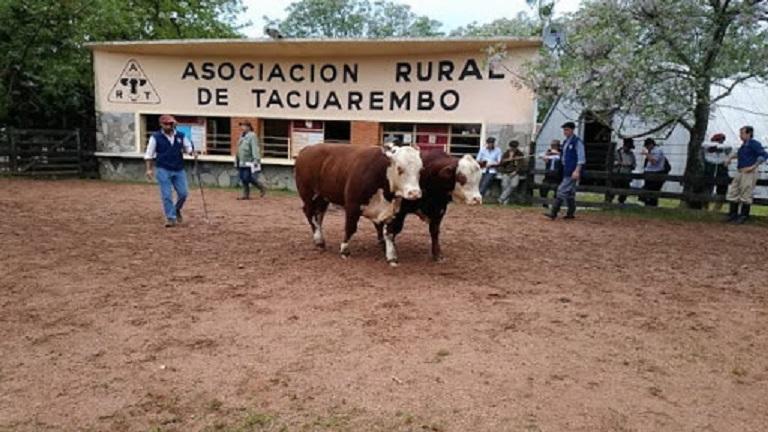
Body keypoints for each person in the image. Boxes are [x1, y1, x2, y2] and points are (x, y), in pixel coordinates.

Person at [144, 114, 195, 227]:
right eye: (166, 124)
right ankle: (170, 218)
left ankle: (176, 209)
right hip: (163, 168)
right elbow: (149, 154)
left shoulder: (181, 136)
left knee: (183, 193)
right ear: (161, 124)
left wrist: (192, 152)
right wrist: (149, 169)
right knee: (166, 195)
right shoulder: (155, 137)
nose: (168, 126)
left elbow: (188, 148)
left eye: (170, 124)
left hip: (178, 168)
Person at [725, 125, 767, 224]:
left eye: (742, 133)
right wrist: (730, 158)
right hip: (740, 171)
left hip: (749, 172)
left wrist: (753, 166)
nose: (740, 135)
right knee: (734, 191)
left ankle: (743, 215)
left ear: (749, 134)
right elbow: (739, 154)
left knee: (746, 192)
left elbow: (764, 155)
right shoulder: (744, 145)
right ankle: (733, 214)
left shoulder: (754, 144)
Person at [545, 121, 585, 220]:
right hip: (566, 169)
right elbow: (562, 156)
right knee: (570, 193)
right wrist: (550, 156)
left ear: (572, 130)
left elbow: (581, 158)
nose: (565, 132)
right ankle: (571, 213)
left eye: (567, 130)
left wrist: (577, 170)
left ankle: (553, 212)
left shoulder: (577, 142)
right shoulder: (566, 142)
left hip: (572, 170)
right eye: (564, 130)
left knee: (561, 190)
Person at [236, 121, 267, 200]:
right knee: (242, 177)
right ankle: (245, 195)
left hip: (249, 161)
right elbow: (239, 149)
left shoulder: (252, 136)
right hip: (241, 161)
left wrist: (256, 159)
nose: (242, 128)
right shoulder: (242, 136)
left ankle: (261, 187)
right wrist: (236, 160)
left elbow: (255, 148)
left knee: (247, 177)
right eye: (241, 126)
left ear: (248, 127)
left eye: (244, 126)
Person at [701, 132, 732, 211]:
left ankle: (717, 208)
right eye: (718, 140)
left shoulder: (725, 148)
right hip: (710, 167)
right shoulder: (707, 146)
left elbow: (729, 147)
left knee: (722, 187)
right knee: (706, 187)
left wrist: (719, 147)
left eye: (721, 140)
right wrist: (715, 147)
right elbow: (704, 145)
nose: (720, 141)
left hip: (721, 168)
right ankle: (705, 207)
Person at [606, 138, 637, 205]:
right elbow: (609, 163)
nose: (628, 148)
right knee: (612, 189)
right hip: (617, 174)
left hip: (626, 176)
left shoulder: (631, 155)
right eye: (627, 147)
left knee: (625, 191)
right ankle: (608, 202)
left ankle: (621, 202)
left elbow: (634, 165)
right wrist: (618, 163)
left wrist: (629, 165)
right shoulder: (616, 153)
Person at [497, 140, 526, 205]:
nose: (513, 149)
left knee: (514, 185)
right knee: (504, 185)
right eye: (512, 147)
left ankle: (501, 198)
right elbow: (501, 163)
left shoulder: (520, 154)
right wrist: (508, 159)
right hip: (506, 172)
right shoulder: (506, 154)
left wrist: (516, 171)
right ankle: (505, 202)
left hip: (515, 173)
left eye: (514, 147)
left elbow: (521, 164)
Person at [640, 138, 667, 207]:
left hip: (655, 173)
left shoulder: (657, 151)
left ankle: (652, 206)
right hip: (649, 173)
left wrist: (646, 154)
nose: (646, 148)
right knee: (647, 190)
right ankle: (648, 204)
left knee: (652, 191)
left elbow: (654, 161)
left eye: (647, 146)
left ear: (651, 145)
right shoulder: (651, 151)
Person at [538, 139, 562, 208]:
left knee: (557, 189)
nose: (553, 147)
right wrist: (546, 155)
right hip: (548, 175)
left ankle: (555, 205)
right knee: (543, 187)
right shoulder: (549, 152)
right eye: (552, 145)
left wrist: (556, 153)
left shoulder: (561, 153)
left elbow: (560, 157)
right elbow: (540, 155)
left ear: (558, 146)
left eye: (555, 145)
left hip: (557, 176)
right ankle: (545, 204)